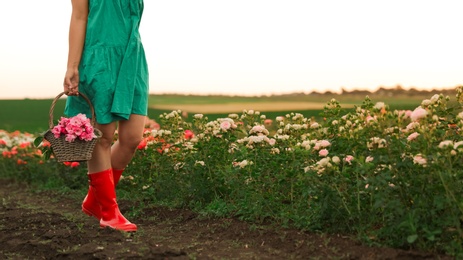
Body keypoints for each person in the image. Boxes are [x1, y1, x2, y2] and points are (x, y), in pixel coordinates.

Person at [63, 0, 149, 232]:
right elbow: (79, 17)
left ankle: (94, 201)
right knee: (102, 136)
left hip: (132, 58)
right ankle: (109, 213)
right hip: (98, 57)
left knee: (131, 139)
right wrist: (72, 66)